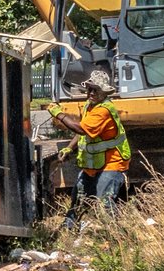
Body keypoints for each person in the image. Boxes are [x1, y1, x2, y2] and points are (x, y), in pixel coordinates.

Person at [47, 69, 130, 215]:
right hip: (95, 163)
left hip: (112, 163)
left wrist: (59, 114)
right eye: (89, 89)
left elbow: (80, 129)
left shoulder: (103, 110)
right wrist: (69, 148)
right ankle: (70, 230)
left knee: (104, 204)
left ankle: (113, 234)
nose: (91, 93)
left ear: (104, 92)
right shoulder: (89, 106)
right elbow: (85, 132)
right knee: (77, 201)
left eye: (96, 90)